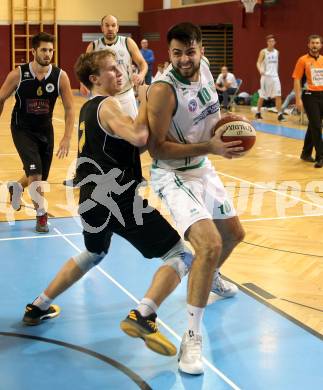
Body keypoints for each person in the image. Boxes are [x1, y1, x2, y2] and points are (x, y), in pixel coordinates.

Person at [22, 49, 195, 359]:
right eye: (112, 69)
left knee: (94, 252)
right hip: (117, 198)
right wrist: (145, 99)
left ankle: (38, 306)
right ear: (94, 79)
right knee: (180, 254)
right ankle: (143, 315)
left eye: (120, 67)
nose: (120, 73)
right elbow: (139, 136)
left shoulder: (91, 109)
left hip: (90, 199)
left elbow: (127, 147)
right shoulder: (109, 105)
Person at [146, 22, 245, 375]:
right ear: (168, 53)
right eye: (176, 53)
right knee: (209, 244)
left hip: (202, 166)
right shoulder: (163, 90)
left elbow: (210, 116)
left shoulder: (204, 70)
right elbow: (155, 147)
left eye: (190, 51)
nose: (184, 59)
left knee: (234, 235)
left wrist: (232, 128)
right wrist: (212, 146)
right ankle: (191, 337)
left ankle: (209, 277)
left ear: (201, 50)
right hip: (172, 174)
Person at [0, 32, 75, 233]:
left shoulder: (60, 76)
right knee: (35, 173)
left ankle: (16, 186)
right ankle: (41, 214)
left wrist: (67, 137)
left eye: (51, 50)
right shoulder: (18, 74)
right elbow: (0, 98)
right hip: (22, 129)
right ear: (33, 51)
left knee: (39, 176)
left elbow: (69, 108)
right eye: (43, 50)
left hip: (45, 130)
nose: (48, 54)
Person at [64, 14, 148, 187]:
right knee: (88, 136)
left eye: (113, 25)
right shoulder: (94, 46)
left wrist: (140, 74)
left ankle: (134, 174)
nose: (110, 28)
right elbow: (84, 68)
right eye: (107, 25)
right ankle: (82, 175)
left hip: (125, 93)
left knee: (132, 133)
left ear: (117, 27)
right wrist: (83, 84)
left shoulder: (127, 43)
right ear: (102, 28)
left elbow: (142, 63)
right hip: (102, 93)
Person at [293, 34, 323, 167]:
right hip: (309, 95)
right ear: (308, 45)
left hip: (322, 95)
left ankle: (305, 153)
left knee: (313, 125)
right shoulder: (302, 60)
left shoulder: (322, 60)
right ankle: (320, 157)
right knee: (317, 125)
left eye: (317, 43)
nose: (315, 45)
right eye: (313, 43)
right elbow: (297, 79)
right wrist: (298, 99)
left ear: (321, 45)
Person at [255, 34, 285, 121]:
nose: (271, 43)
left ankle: (280, 115)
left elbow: (276, 65)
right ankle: (258, 113)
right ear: (267, 42)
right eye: (269, 41)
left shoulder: (277, 52)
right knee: (262, 96)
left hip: (275, 77)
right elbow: (258, 62)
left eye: (272, 41)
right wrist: (260, 70)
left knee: (278, 95)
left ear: (275, 42)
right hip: (265, 77)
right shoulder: (263, 52)